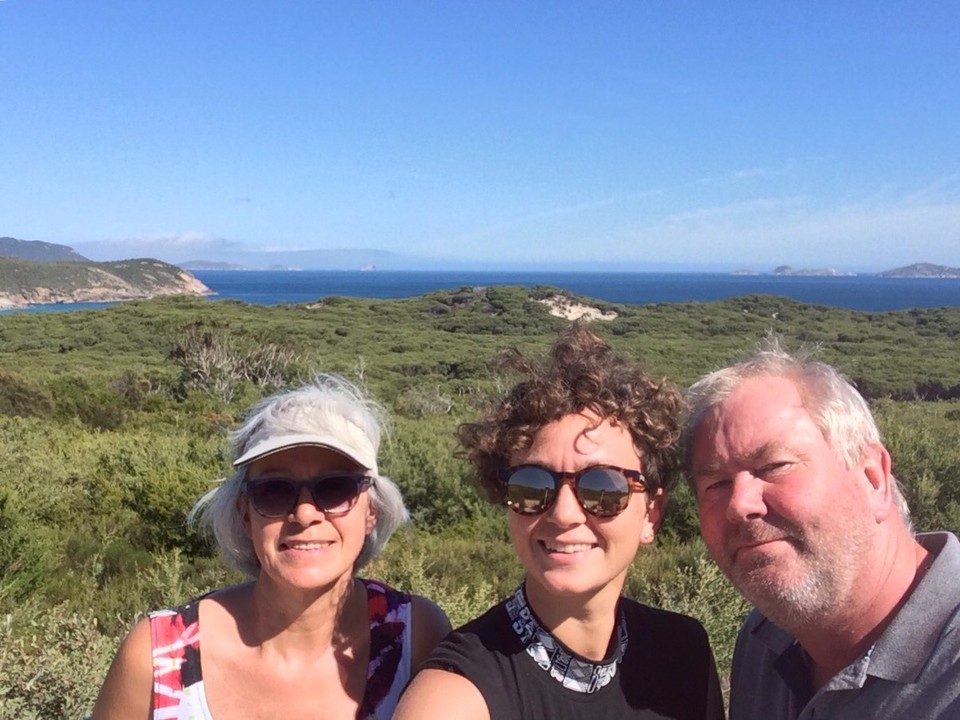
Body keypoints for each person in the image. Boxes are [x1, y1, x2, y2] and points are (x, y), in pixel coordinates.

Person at [395, 325, 725, 720]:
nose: (564, 514)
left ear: (651, 514)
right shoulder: (455, 697)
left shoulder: (683, 652)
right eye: (532, 486)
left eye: (603, 487)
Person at [92, 375, 450, 719]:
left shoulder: (415, 636)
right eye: (275, 491)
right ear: (245, 515)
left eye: (336, 488)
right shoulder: (156, 659)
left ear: (371, 511)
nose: (306, 513)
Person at [685, 338, 960, 719]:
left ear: (872, 478)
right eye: (715, 484)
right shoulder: (765, 640)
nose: (738, 505)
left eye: (774, 466)